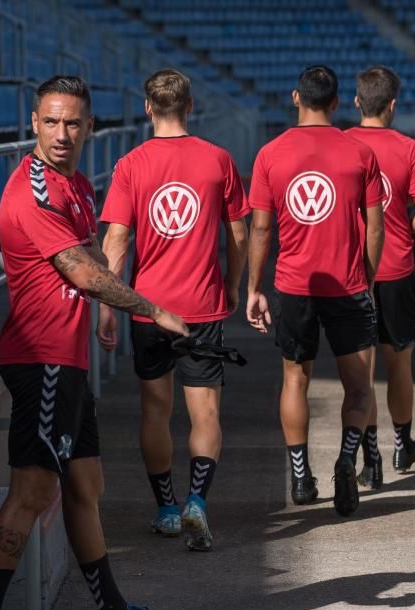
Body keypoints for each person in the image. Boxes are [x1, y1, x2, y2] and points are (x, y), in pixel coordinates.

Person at [0, 76, 188, 610]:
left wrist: (108, 310)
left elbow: (92, 261)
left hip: (69, 357)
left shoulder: (78, 184)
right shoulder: (33, 190)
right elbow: (81, 273)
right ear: (33, 123)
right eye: (51, 122)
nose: (62, 134)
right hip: (41, 359)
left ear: (89, 126)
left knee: (87, 488)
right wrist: (152, 309)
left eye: (73, 123)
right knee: (33, 491)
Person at [98, 69, 249, 551]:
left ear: (147, 108)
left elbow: (117, 241)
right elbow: (239, 234)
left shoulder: (131, 165)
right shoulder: (217, 160)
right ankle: (197, 503)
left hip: (147, 307)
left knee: (155, 411)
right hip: (201, 307)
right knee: (204, 411)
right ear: (190, 106)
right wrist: (233, 285)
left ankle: (165, 509)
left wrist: (107, 307)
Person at [246, 65, 384, 517]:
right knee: (359, 388)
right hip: (348, 284)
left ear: (295, 98)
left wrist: (254, 287)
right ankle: (347, 459)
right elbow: (375, 227)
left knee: (294, 380)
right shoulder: (360, 152)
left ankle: (300, 477)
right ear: (339, 103)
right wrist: (366, 275)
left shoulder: (270, 154)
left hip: (294, 285)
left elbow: (261, 229)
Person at [344, 66, 415, 486]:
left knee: (359, 372)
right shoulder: (410, 147)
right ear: (393, 105)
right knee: (399, 363)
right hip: (397, 267)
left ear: (356, 102)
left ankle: (372, 459)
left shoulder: (341, 144)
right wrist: (401, 224)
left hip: (353, 272)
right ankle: (404, 446)